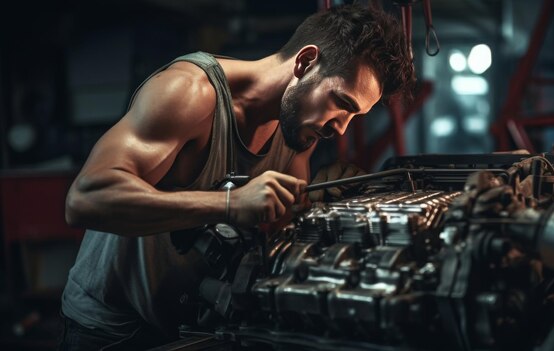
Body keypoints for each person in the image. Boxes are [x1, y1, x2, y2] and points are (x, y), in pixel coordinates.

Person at [59, 3, 416, 350]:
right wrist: (229, 203)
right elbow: (85, 200)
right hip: (112, 331)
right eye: (342, 103)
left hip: (195, 328)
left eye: (354, 116)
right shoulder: (190, 93)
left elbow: (281, 227)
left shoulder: (298, 128)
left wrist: (321, 196)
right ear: (305, 62)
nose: (341, 129)